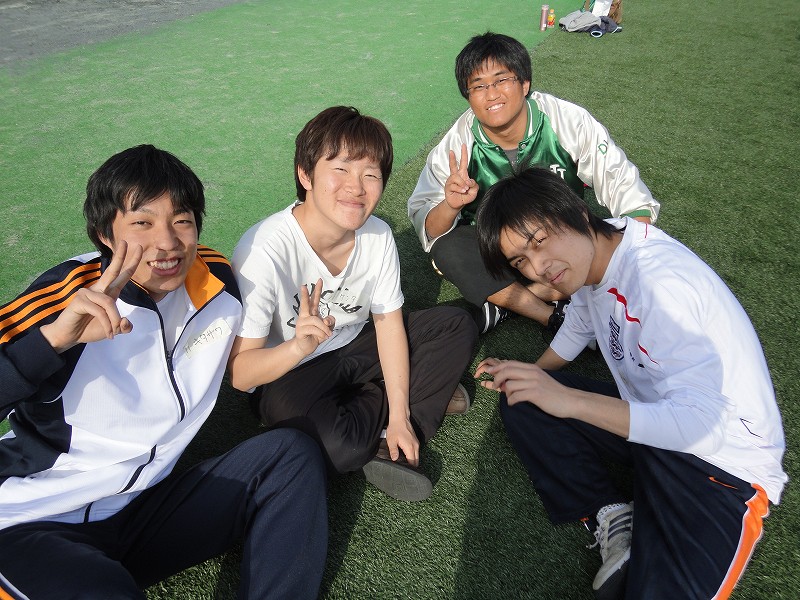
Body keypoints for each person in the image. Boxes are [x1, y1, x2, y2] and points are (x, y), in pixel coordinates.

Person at [0, 145, 328, 599]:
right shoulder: (65, 297)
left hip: (143, 508)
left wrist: (296, 347)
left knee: (290, 455)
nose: (168, 242)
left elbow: (239, 369)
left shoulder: (217, 282)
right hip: (34, 519)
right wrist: (53, 341)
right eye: (142, 223)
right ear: (104, 234)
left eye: (181, 220)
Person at [472, 167, 787, 599]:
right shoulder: (597, 252)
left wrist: (569, 401)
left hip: (720, 462)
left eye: (539, 241)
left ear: (576, 212)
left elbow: (703, 427)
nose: (539, 268)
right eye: (520, 262)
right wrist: (534, 375)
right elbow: (580, 320)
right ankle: (615, 516)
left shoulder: (659, 284)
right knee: (523, 400)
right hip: (651, 418)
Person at [229, 106, 478, 502]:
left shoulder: (377, 235)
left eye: (370, 174)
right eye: (341, 169)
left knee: (457, 324)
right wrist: (297, 347)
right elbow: (241, 376)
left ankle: (392, 430)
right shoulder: (263, 251)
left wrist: (401, 416)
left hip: (354, 344)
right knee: (336, 447)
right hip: (288, 373)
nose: (356, 187)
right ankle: (410, 391)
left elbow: (388, 325)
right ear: (305, 174)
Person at [407, 31, 660, 333]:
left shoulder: (568, 121)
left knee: (604, 239)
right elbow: (430, 229)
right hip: (504, 253)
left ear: (525, 83)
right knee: (449, 250)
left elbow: (625, 189)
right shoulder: (455, 147)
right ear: (468, 95)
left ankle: (506, 301)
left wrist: (635, 260)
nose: (491, 94)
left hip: (558, 238)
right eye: (479, 86)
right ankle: (550, 314)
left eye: (502, 80)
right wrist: (450, 206)